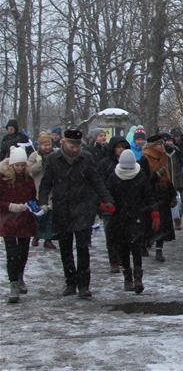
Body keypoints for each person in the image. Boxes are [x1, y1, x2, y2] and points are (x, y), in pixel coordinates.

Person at [39, 128, 116, 298]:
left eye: (77, 145)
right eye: (72, 145)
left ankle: (84, 285)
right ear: (64, 143)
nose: (75, 149)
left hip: (83, 208)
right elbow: (46, 183)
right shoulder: (53, 159)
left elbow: (96, 180)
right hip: (62, 208)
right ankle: (70, 282)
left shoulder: (86, 158)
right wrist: (43, 202)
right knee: (65, 249)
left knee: (83, 248)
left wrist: (107, 199)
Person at [105, 149, 157, 294]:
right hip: (120, 217)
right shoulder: (114, 177)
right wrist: (107, 205)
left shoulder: (140, 176)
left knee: (136, 248)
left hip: (136, 216)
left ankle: (137, 278)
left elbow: (148, 195)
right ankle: (128, 277)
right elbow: (107, 195)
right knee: (123, 249)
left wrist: (154, 212)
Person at [0, 147, 37, 303]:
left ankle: (20, 275)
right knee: (11, 253)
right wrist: (10, 206)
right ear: (12, 165)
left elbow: (32, 196)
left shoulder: (28, 179)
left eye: (22, 165)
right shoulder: (3, 180)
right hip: (8, 220)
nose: (20, 168)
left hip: (25, 219)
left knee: (23, 252)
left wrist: (33, 206)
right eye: (17, 165)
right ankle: (13, 283)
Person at [141, 136, 177, 263]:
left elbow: (168, 178)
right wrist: (156, 175)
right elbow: (144, 181)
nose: (161, 147)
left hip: (163, 193)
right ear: (152, 146)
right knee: (149, 223)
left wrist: (172, 194)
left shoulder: (164, 158)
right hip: (150, 195)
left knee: (162, 224)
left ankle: (159, 249)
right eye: (158, 145)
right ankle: (145, 244)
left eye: (162, 144)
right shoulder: (144, 158)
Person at [98, 136, 131, 273]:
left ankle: (124, 258)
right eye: (118, 147)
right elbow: (100, 184)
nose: (121, 150)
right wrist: (104, 201)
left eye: (124, 147)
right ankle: (114, 261)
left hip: (126, 204)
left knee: (125, 234)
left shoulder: (131, 163)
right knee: (111, 234)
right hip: (110, 204)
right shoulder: (105, 164)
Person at [26, 132, 56, 250]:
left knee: (51, 216)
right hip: (39, 189)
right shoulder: (34, 156)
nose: (47, 147)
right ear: (39, 145)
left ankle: (48, 239)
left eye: (48, 144)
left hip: (53, 189)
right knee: (40, 215)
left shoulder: (55, 154)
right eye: (44, 145)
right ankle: (37, 235)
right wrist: (39, 164)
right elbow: (30, 171)